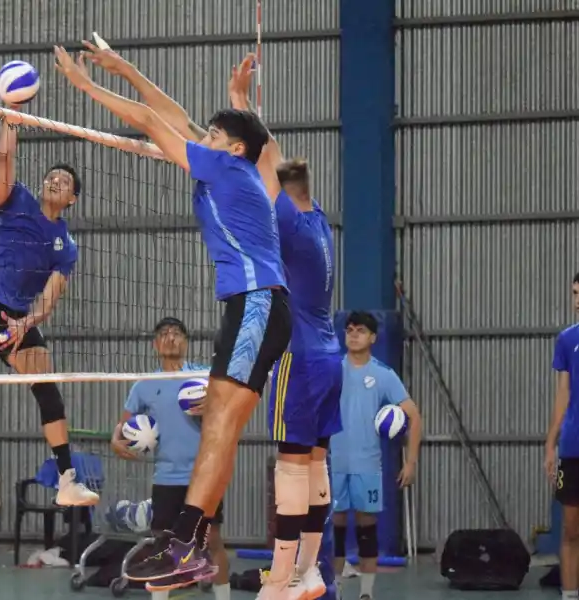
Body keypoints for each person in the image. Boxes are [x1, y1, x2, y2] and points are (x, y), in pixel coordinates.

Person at [56, 45, 291, 591]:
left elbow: (149, 120)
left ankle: (186, 541)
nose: (199, 139)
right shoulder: (252, 171)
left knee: (221, 427)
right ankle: (190, 539)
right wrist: (126, 70)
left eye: (210, 135)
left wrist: (85, 87)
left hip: (256, 302)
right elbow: (180, 116)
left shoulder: (229, 168)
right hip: (257, 306)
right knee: (222, 427)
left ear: (232, 148)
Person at [225, 55, 342, 599]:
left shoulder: (291, 219)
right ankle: (310, 571)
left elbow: (263, 154)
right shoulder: (319, 220)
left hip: (296, 354)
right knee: (314, 460)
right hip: (329, 354)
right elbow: (277, 163)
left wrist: (240, 99)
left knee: (289, 468)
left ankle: (280, 579)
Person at [0, 105, 99, 518]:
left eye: (64, 181)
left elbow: (51, 295)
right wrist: (10, 116)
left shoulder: (65, 246)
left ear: (72, 198)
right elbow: (4, 158)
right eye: (51, 176)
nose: (55, 180)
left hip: (14, 317)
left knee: (46, 384)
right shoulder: (15, 200)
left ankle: (68, 479)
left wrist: (28, 322)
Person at [110, 317, 231, 600]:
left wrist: (212, 405)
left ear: (186, 342)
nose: (171, 337)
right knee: (162, 546)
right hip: (166, 477)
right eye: (164, 333)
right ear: (155, 344)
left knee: (211, 542)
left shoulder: (204, 377)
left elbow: (230, 409)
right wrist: (115, 440)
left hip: (204, 475)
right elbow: (124, 424)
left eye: (177, 333)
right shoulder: (145, 385)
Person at [330, 311, 422, 600]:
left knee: (367, 531)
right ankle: (337, 590)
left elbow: (414, 416)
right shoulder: (333, 369)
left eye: (360, 330)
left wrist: (410, 462)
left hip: (367, 464)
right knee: (336, 532)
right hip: (334, 464)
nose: (353, 334)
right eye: (349, 329)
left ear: (373, 337)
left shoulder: (383, 374)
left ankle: (366, 594)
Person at [545, 272, 579, 600]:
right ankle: (570, 595)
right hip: (573, 448)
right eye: (574, 292)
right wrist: (550, 443)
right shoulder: (568, 339)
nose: (578, 298)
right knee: (571, 530)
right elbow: (563, 393)